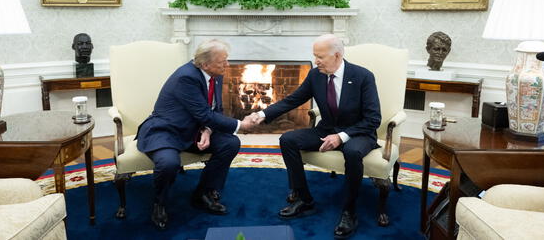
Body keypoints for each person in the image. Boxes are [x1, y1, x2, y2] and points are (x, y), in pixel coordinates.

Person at [250, 34, 381, 239]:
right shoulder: (315, 75)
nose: (316, 60)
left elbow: (373, 119)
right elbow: (293, 100)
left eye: (320, 56)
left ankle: (349, 212)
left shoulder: (363, 76)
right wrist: (262, 114)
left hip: (358, 132)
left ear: (337, 55)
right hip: (326, 129)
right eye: (314, 56)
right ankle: (304, 199)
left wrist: (341, 137)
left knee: (353, 152)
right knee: (288, 140)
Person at [135, 39, 258, 230]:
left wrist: (207, 130)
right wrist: (241, 124)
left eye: (226, 60)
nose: (227, 65)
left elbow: (215, 110)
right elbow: (204, 113)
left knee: (230, 144)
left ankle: (203, 193)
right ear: (205, 64)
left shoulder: (215, 74)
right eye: (222, 62)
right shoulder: (186, 77)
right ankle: (159, 203)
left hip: (194, 129)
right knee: (169, 163)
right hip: (167, 131)